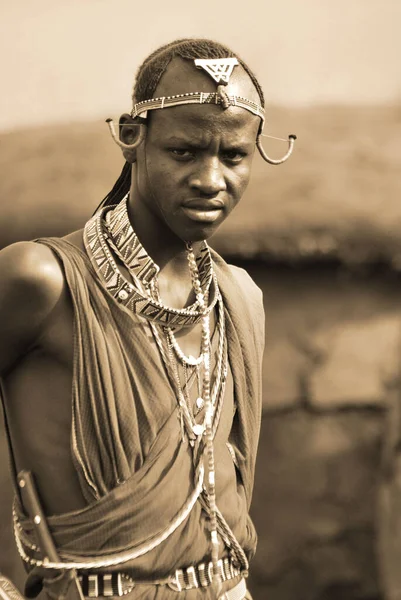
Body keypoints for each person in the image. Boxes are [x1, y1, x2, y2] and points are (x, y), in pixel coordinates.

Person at [0, 38, 295, 600]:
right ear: (132, 139)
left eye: (233, 156)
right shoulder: (41, 281)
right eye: (185, 152)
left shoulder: (238, 299)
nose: (212, 179)